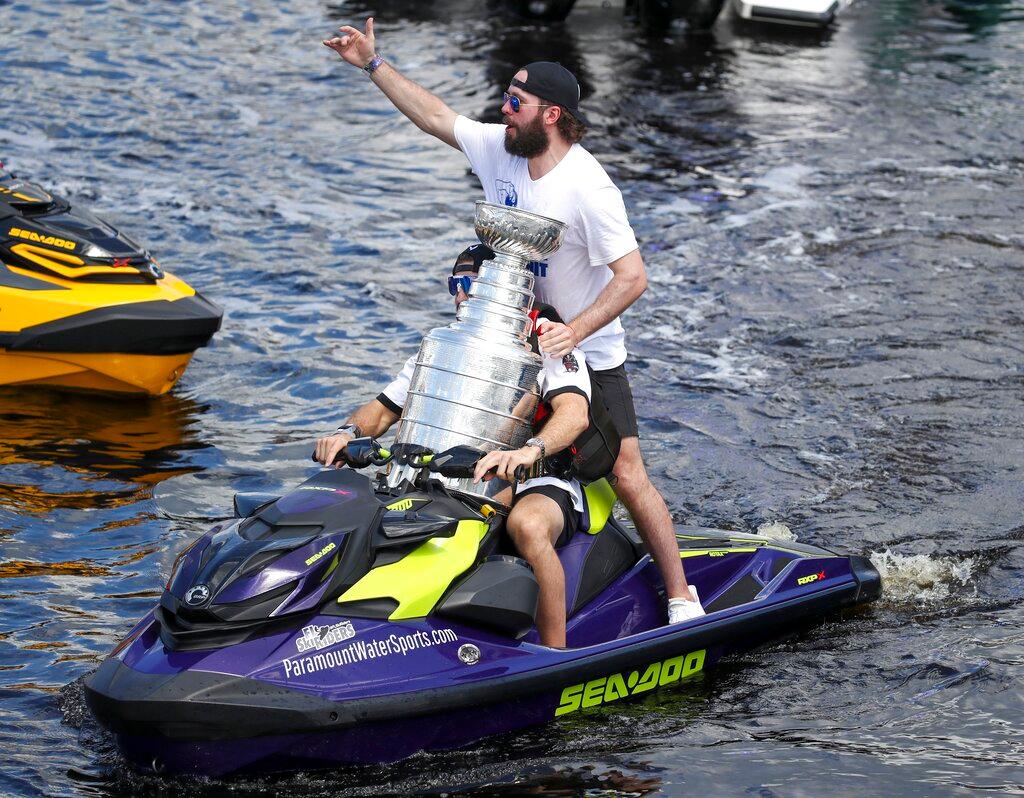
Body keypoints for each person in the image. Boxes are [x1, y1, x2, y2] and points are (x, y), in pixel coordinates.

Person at [322, 21, 704, 623]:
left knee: (628, 472)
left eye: (515, 101)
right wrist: (372, 64)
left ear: (551, 115)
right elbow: (435, 118)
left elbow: (634, 277)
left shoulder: (589, 187)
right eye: (506, 96)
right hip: (502, 335)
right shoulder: (502, 146)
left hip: (579, 350)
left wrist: (573, 331)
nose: (504, 109)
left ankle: (682, 596)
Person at [315, 246, 598, 648]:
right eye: (455, 284)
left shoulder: (547, 343)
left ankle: (555, 654)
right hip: (450, 479)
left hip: (539, 476)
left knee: (527, 527)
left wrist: (528, 451)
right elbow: (380, 412)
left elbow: (574, 415)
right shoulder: (442, 347)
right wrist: (345, 433)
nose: (460, 294)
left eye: (470, 284)